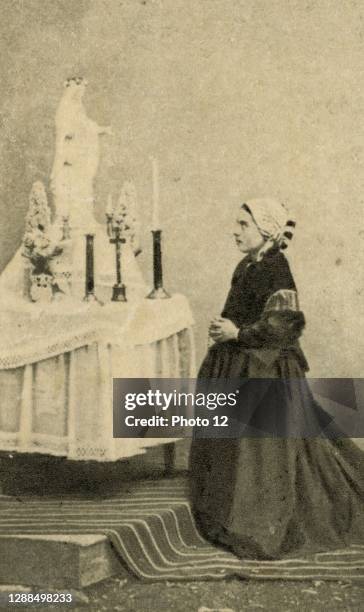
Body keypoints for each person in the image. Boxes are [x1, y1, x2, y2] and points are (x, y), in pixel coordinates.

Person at [189, 198, 364, 559]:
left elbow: (282, 328)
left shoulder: (276, 268)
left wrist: (236, 334)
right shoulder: (247, 265)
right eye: (236, 223)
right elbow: (237, 311)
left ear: (266, 231)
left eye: (243, 224)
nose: (235, 230)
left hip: (267, 369)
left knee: (271, 453)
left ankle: (257, 519)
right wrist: (224, 330)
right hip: (241, 364)